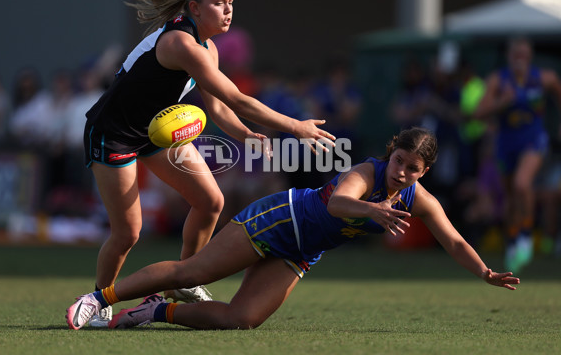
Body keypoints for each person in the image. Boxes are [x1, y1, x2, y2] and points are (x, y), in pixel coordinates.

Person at [82, 0, 335, 327]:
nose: (228, 10)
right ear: (195, 7)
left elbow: (218, 110)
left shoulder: (209, 47)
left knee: (210, 201)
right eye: (220, 3)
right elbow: (238, 99)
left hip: (156, 131)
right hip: (113, 134)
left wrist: (245, 134)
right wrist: (296, 126)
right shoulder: (180, 43)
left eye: (231, 2)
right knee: (127, 233)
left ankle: (183, 282)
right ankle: (99, 301)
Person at [66, 127, 520, 331]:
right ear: (391, 153)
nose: (402, 173)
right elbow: (341, 201)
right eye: (400, 161)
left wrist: (484, 272)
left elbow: (455, 240)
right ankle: (99, 298)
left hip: (299, 253)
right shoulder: (368, 171)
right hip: (278, 219)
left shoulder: (418, 199)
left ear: (425, 172)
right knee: (193, 274)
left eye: (413, 169)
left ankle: (155, 313)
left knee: (242, 320)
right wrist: (373, 210)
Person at [475, 36, 561, 273]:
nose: (520, 59)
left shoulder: (544, 78)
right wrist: (501, 103)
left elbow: (557, 93)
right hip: (506, 143)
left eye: (524, 55)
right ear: (509, 56)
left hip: (534, 139)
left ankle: (526, 232)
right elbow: (478, 112)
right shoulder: (498, 80)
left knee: (523, 183)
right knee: (512, 195)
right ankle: (513, 239)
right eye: (516, 55)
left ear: (530, 56)